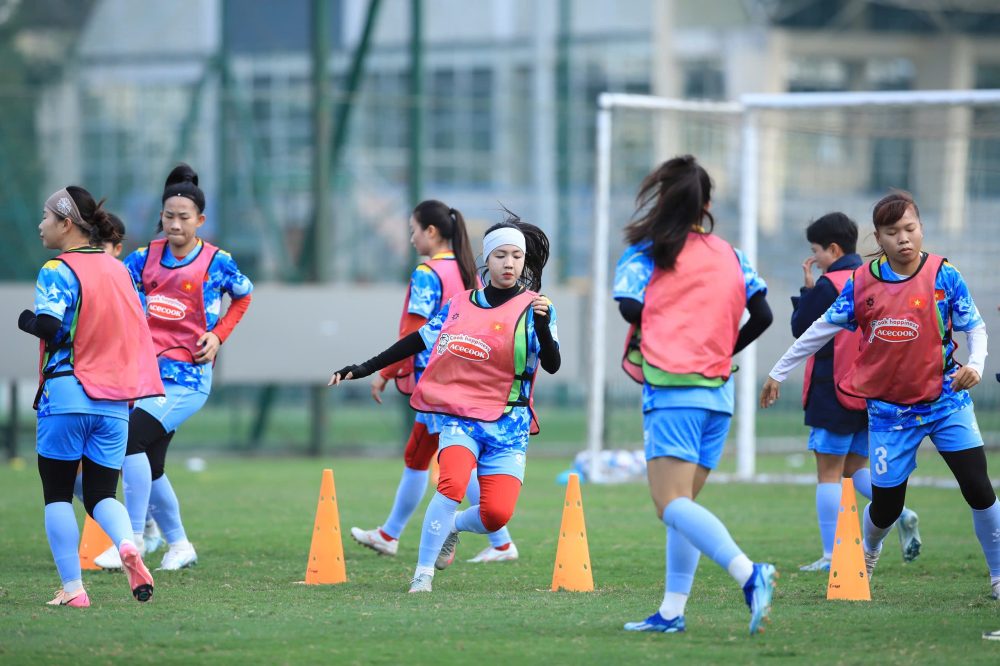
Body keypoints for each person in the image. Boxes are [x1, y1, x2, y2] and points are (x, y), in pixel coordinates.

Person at [761, 190, 998, 598]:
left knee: (978, 488)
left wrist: (975, 364)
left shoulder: (944, 275)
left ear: (921, 229)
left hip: (946, 401)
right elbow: (821, 328)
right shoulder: (863, 282)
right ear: (878, 238)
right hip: (890, 411)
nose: (903, 238)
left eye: (910, 228)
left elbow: (974, 325)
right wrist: (778, 372)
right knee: (887, 507)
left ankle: (997, 575)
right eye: (892, 232)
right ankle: (868, 550)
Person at [330, 213, 560, 592]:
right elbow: (418, 339)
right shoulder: (460, 304)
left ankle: (451, 526)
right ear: (487, 259)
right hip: (460, 415)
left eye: (516, 257)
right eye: (501, 255)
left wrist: (542, 329)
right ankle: (422, 575)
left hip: (510, 424)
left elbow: (551, 364)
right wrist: (365, 367)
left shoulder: (538, 308)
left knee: (496, 514)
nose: (509, 263)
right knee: (450, 485)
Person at [614, 155, 776, 636]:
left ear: (663, 200)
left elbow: (629, 307)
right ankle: (671, 612)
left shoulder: (648, 251)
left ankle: (750, 574)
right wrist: (720, 346)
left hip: (674, 392)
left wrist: (671, 323)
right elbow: (763, 315)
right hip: (719, 394)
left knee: (669, 505)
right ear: (706, 204)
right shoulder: (732, 254)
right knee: (682, 508)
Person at [92, 164, 254, 571]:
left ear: (200, 220)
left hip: (187, 380)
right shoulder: (142, 259)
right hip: (145, 378)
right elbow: (118, 295)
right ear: (161, 217)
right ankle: (179, 545)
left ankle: (132, 537)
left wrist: (218, 335)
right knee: (151, 463)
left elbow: (244, 296)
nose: (175, 224)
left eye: (184, 217)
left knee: (130, 441)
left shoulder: (217, 261)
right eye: (169, 216)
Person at [350, 200, 519, 563]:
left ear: (430, 231)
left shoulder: (428, 272)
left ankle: (496, 541)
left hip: (438, 382)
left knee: (437, 459)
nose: (411, 238)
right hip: (469, 380)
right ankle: (392, 534)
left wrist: (385, 372)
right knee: (429, 456)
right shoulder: (469, 270)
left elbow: (414, 331)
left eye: (413, 230)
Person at [18, 186, 163, 606]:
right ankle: (127, 543)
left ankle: (73, 590)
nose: (41, 225)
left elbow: (50, 327)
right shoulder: (119, 271)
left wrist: (25, 320)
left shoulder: (56, 269)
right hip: (115, 401)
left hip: (67, 393)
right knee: (102, 495)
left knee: (58, 494)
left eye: (46, 217)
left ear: (66, 223)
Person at [792, 212, 919, 572]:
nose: (815, 258)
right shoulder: (872, 279)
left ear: (832, 249)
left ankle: (830, 555)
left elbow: (801, 329)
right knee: (855, 469)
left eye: (816, 251)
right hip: (869, 392)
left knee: (828, 474)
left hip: (832, 390)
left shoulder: (828, 285)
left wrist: (808, 289)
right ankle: (901, 512)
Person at [76, 212, 166, 562]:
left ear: (117, 248)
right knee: (70, 475)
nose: (94, 253)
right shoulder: (75, 276)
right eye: (90, 245)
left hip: (117, 391)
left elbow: (135, 336)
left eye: (102, 246)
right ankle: (140, 529)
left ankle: (135, 537)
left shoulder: (124, 282)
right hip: (84, 387)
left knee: (129, 454)